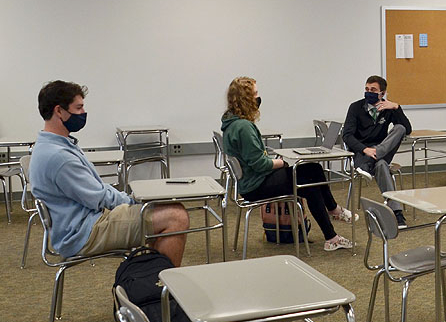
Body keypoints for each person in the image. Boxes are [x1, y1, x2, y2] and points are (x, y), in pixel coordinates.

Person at [29, 81, 189, 267]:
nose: (83, 113)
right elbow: (97, 197)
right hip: (85, 231)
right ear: (59, 111)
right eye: (78, 107)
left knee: (161, 211)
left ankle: (151, 284)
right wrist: (134, 201)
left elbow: (95, 190)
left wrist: (138, 203)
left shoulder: (53, 145)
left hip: (80, 224)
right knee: (176, 216)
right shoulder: (58, 156)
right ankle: (160, 289)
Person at [220, 76, 355, 252]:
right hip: (256, 186)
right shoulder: (243, 127)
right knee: (311, 176)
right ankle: (333, 217)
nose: (258, 98)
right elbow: (260, 164)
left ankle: (332, 233)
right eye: (255, 94)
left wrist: (276, 162)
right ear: (246, 99)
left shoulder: (231, 124)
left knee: (311, 177)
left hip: (251, 182)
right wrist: (280, 162)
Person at [343, 75, 412, 229]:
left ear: (382, 93)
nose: (369, 92)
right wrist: (365, 149)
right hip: (362, 152)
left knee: (399, 128)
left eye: (373, 90)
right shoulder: (355, 107)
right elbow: (347, 135)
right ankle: (397, 213)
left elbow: (407, 129)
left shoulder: (388, 108)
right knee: (381, 165)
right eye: (367, 89)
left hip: (380, 149)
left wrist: (396, 107)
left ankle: (372, 160)